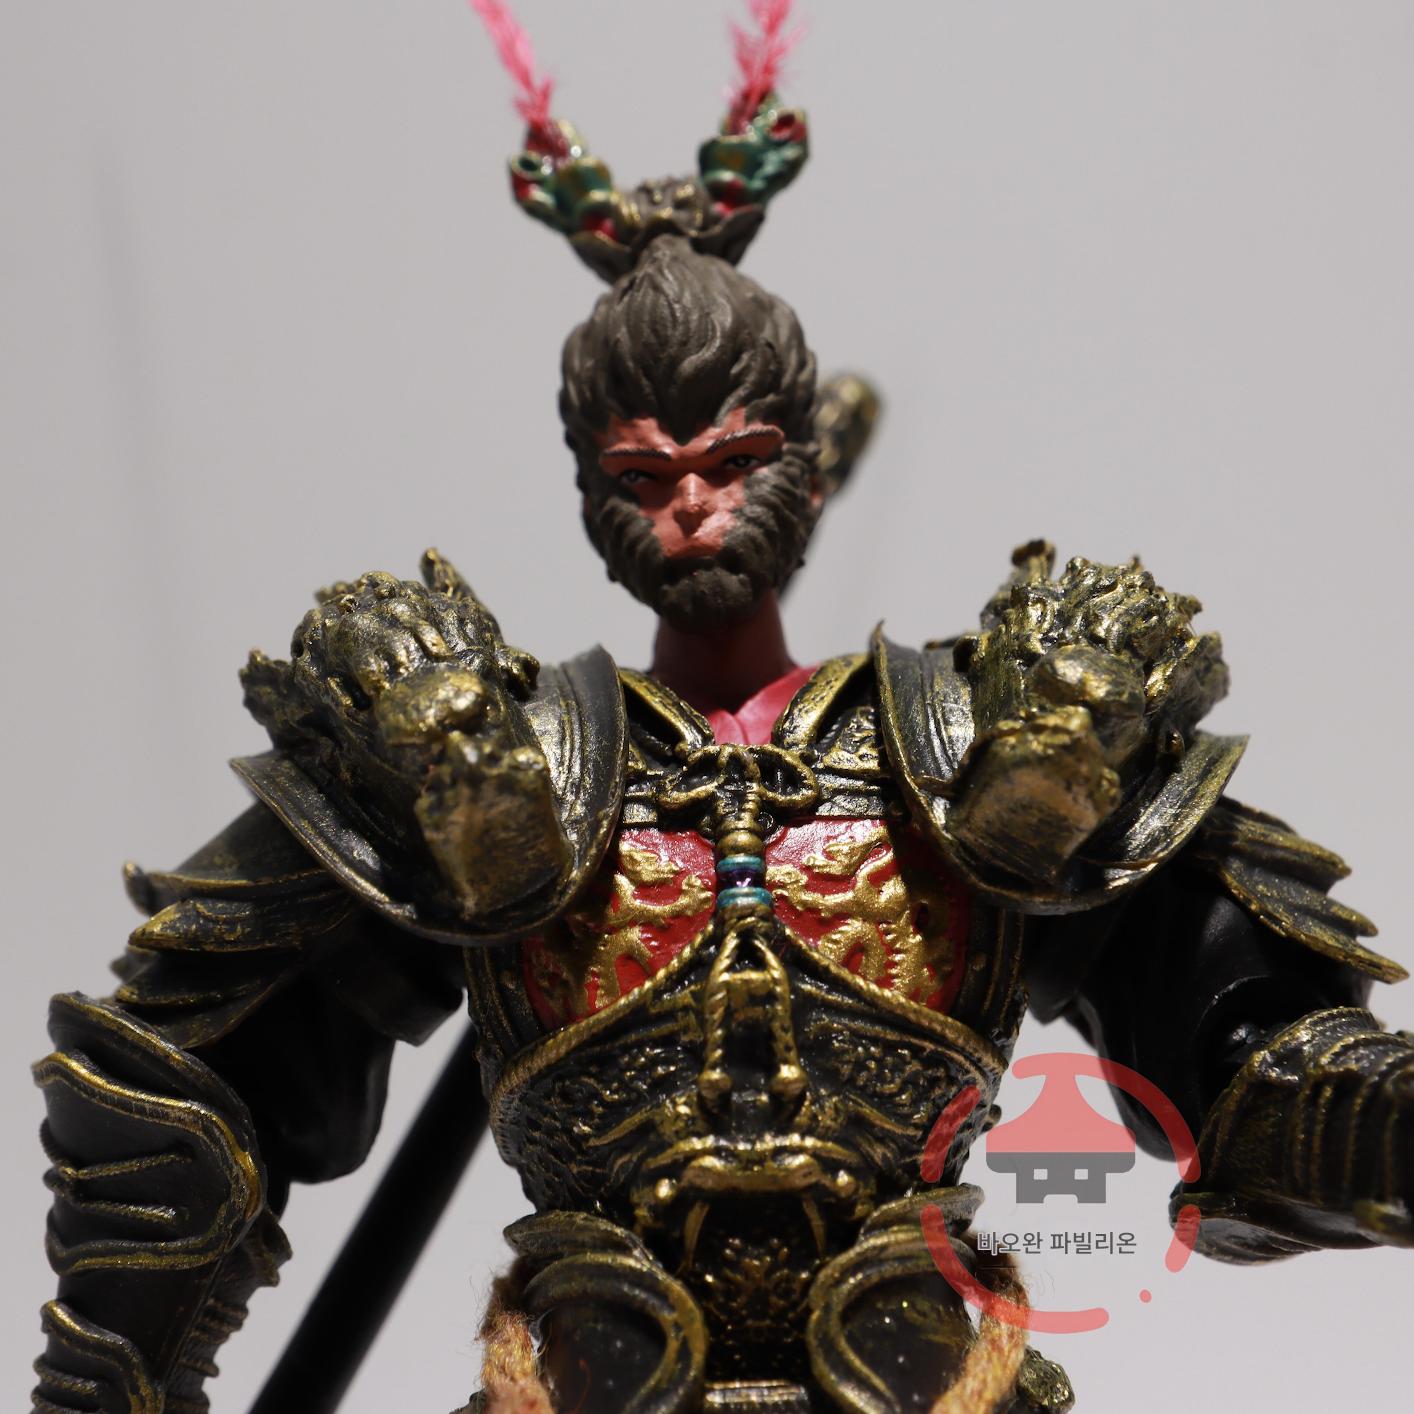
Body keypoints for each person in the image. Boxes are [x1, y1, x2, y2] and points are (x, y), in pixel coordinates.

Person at [31, 6, 1412, 1411]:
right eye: (646, 475)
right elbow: (183, 1090)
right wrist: (114, 1379)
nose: (691, 502)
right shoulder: (485, 764)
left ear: (802, 467)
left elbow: (1244, 1029)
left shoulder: (973, 746)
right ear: (592, 490)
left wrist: (1367, 1116)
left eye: (733, 460)